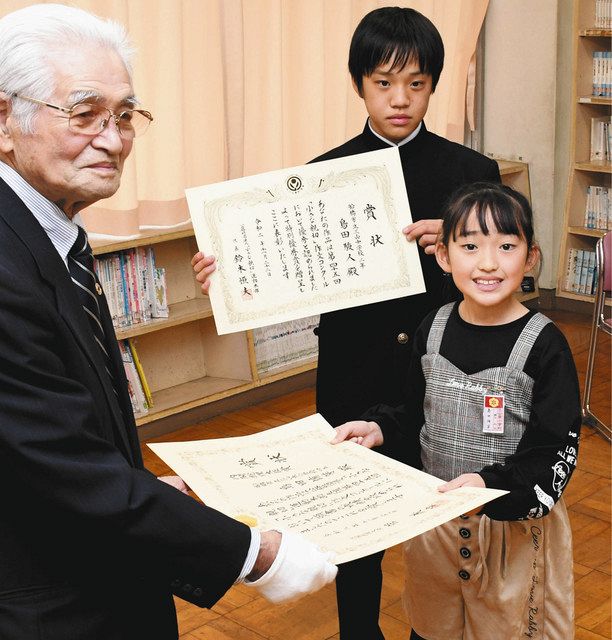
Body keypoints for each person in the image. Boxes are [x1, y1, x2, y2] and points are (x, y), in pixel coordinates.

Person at [0, 5, 336, 639]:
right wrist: (255, 555)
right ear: (3, 121)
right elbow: (60, 467)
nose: (113, 137)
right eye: (84, 112)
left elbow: (61, 436)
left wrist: (151, 492)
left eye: (125, 115)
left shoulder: (48, 232)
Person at [192, 7, 500, 637]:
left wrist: (463, 242)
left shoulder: (474, 174)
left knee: (446, 523)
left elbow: (505, 274)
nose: (400, 99)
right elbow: (284, 268)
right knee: (354, 529)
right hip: (354, 374)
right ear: (359, 84)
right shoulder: (320, 176)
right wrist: (230, 271)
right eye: (384, 83)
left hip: (445, 376)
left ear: (433, 86)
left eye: (416, 83)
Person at [333, 182, 581, 640]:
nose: (488, 263)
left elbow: (554, 449)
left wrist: (490, 483)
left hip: (512, 536)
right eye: (470, 246)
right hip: (438, 527)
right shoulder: (432, 328)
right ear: (444, 256)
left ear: (530, 258)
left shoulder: (545, 345)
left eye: (506, 246)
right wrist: (380, 428)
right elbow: (415, 413)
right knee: (432, 628)